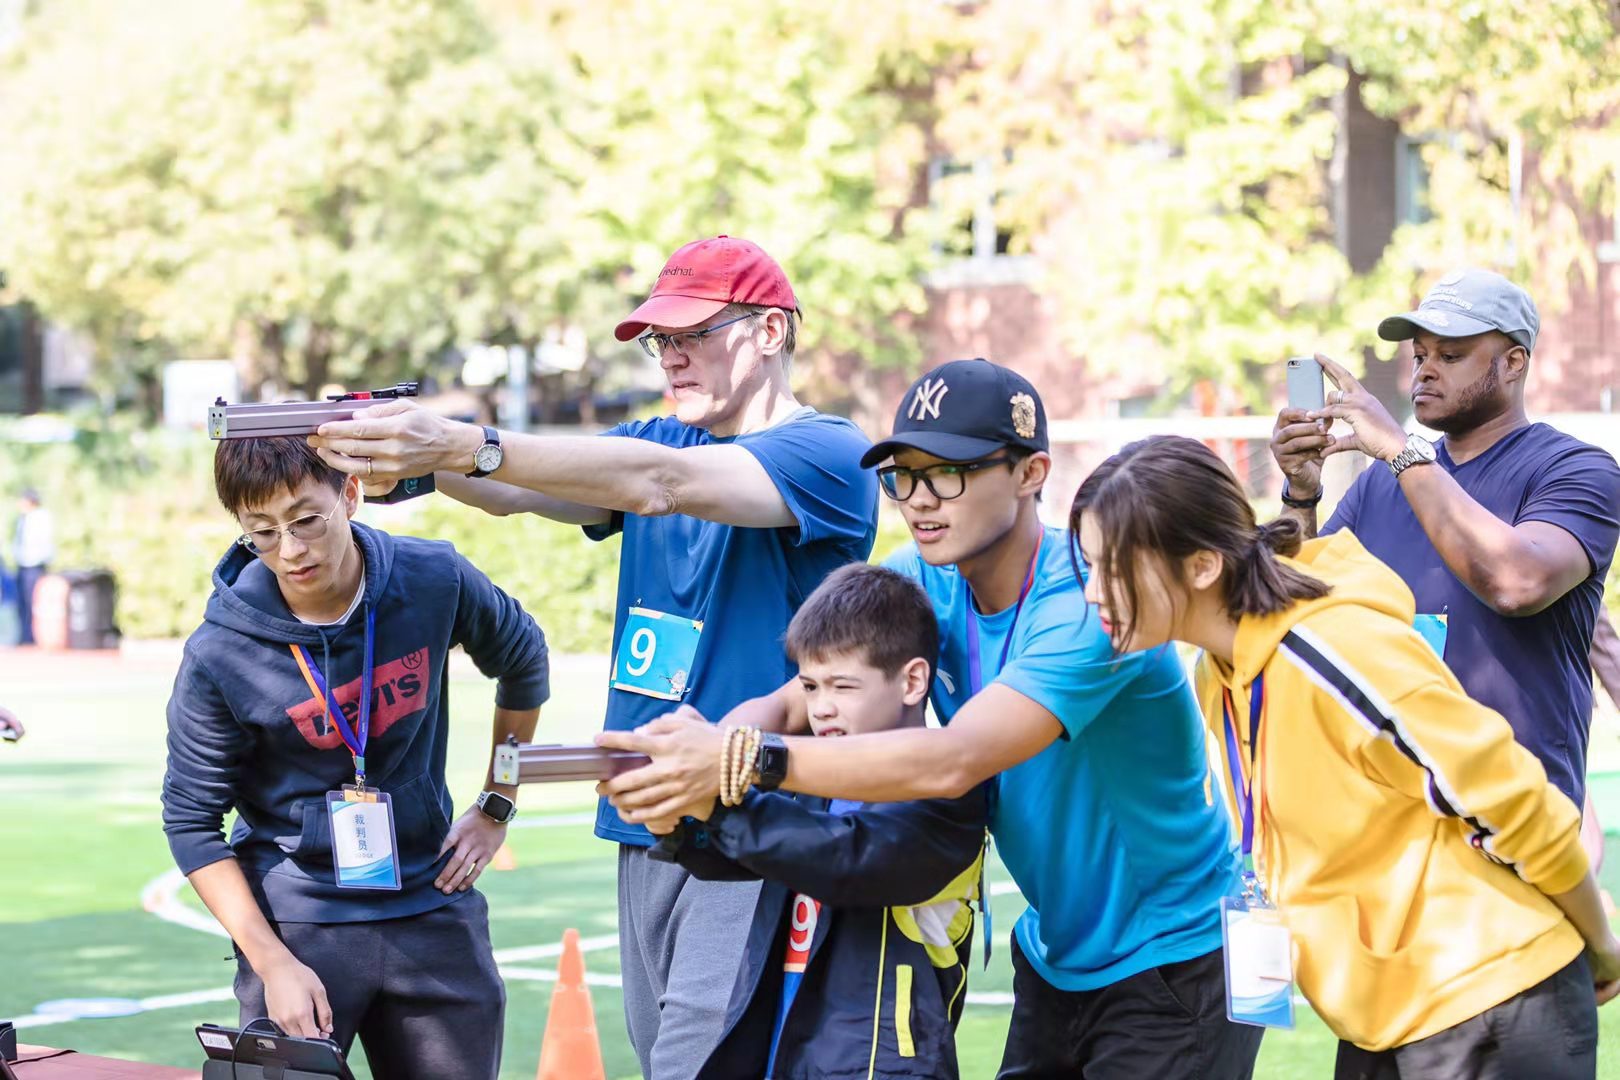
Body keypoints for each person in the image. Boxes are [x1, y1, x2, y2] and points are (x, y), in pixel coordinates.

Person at [308, 236, 878, 1078]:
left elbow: (661, 483)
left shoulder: (827, 453)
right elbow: (518, 488)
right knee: (665, 1059)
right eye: (661, 342)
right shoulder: (651, 439)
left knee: (697, 1064)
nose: (671, 359)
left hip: (758, 814)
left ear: (769, 331)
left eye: (694, 335)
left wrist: (460, 446)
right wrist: (407, 454)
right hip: (644, 813)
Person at [603, 360, 1262, 1079]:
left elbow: (955, 759)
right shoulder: (925, 576)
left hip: (1178, 959)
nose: (919, 500)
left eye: (947, 474)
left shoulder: (1094, 602)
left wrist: (740, 761)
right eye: (902, 477)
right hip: (1056, 954)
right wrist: (694, 750)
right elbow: (795, 694)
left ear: (1031, 472)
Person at [1072, 434, 1620, 1080]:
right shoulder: (1217, 676)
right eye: (1088, 568)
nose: (1092, 594)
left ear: (1200, 566)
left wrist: (1601, 946)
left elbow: (1507, 795)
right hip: (1384, 1020)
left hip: (1487, 999)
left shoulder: (1331, 650)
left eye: (1114, 569)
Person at [161, 437, 551, 1080]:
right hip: (298, 925)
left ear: (351, 493)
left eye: (306, 520)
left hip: (432, 903)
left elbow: (524, 661)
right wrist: (273, 963)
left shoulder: (434, 578)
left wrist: (498, 801)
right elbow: (191, 824)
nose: (290, 550)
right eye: (262, 531)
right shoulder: (219, 653)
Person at [1270, 268, 1620, 807]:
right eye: (1420, 356)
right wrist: (1300, 494)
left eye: (1450, 356)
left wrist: (1398, 448)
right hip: (1389, 815)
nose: (1426, 372)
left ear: (1513, 363)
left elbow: (1516, 583)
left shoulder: (1576, 469)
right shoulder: (1379, 487)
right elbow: (1292, 605)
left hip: (1513, 821)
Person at [664, 563, 988, 1079]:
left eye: (842, 686)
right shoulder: (817, 773)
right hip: (786, 1049)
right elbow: (731, 855)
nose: (823, 709)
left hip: (884, 1063)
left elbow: (846, 860)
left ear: (913, 681)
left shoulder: (949, 792)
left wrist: (718, 806)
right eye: (811, 688)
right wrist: (674, 811)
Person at [11, 488, 53, 646]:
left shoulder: (41, 517)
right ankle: (24, 636)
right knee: (22, 602)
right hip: (22, 564)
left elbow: (44, 543)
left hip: (35, 565)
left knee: (33, 601)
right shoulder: (23, 518)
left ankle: (34, 637)